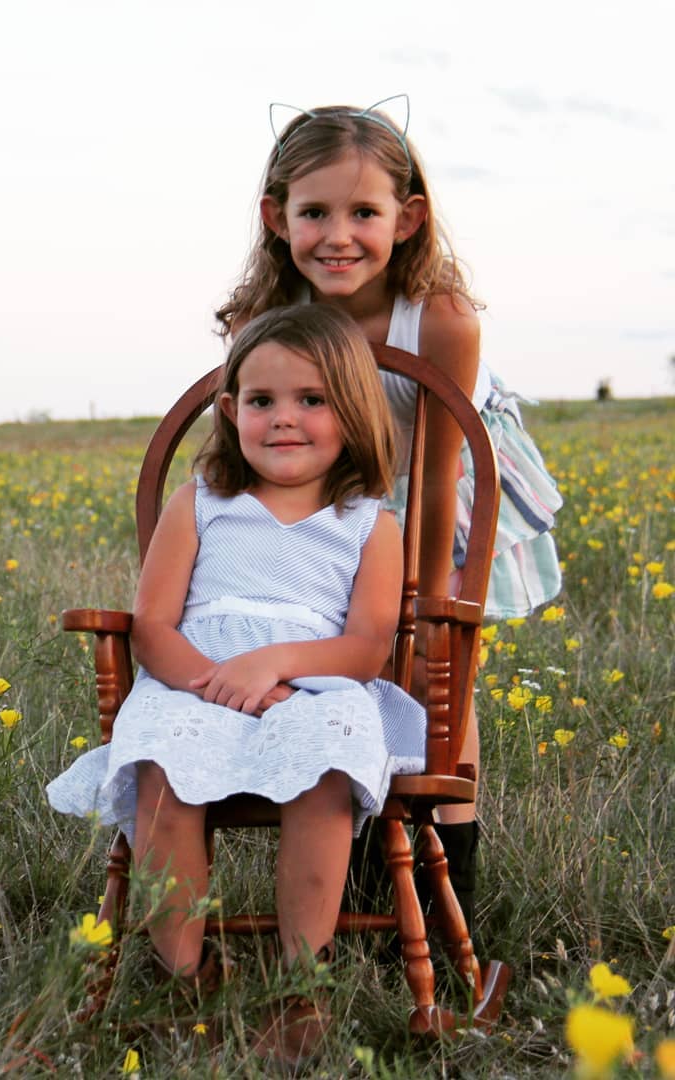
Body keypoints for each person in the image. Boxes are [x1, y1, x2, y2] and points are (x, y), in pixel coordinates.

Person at [216, 100, 563, 931]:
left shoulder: (438, 318)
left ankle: (448, 887)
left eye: (364, 213)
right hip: (339, 504)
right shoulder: (264, 321)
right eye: (315, 213)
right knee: (343, 670)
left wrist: (422, 601)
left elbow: (439, 479)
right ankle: (359, 855)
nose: (340, 236)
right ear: (277, 217)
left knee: (435, 683)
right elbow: (256, 446)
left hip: (435, 493)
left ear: (407, 219)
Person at [48, 304, 427, 1063]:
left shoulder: (367, 524)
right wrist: (211, 680)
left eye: (311, 401)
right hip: (193, 678)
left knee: (323, 774)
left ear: (352, 414)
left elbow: (364, 647)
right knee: (162, 769)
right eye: (261, 401)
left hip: (314, 683)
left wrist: (277, 664)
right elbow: (153, 623)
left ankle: (298, 986)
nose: (284, 419)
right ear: (230, 411)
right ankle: (184, 974)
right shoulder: (200, 503)